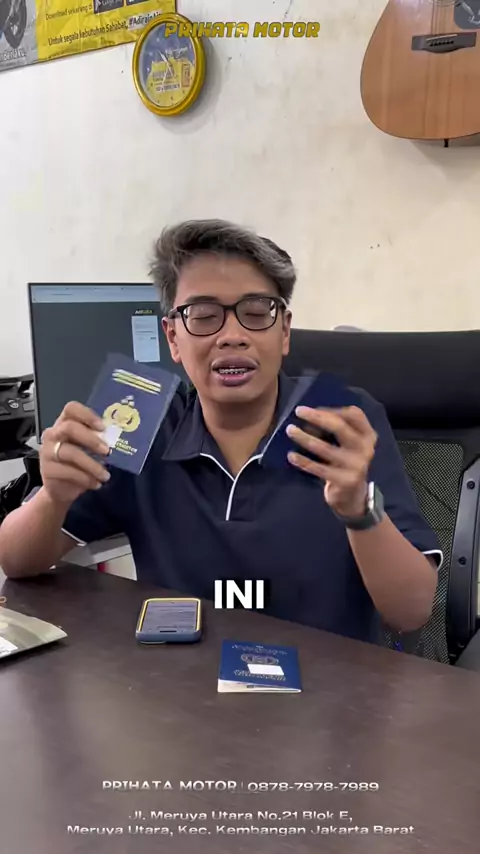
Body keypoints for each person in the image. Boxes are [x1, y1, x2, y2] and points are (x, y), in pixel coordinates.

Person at [0, 219, 441, 644]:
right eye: (204, 315)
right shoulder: (142, 426)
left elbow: (411, 612)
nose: (232, 335)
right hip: (183, 681)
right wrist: (53, 497)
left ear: (284, 331)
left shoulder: (341, 420)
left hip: (330, 687)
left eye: (256, 312)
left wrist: (359, 508)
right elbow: (15, 560)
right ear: (173, 338)